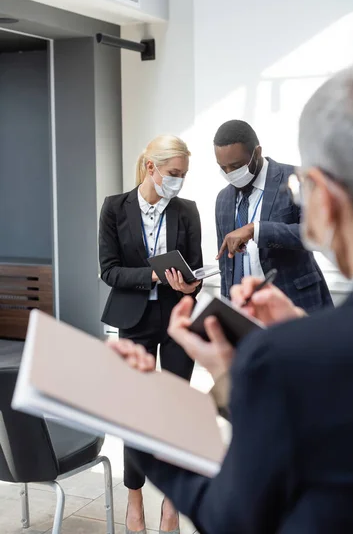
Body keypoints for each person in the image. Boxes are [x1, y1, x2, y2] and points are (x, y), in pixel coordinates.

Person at [110, 52, 353, 533]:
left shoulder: (292, 359)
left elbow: (236, 516)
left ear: (321, 199)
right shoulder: (222, 201)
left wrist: (142, 420)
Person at [99, 135, 203, 534]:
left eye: (184, 175)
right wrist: (154, 275)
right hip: (134, 319)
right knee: (137, 413)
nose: (178, 182)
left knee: (175, 411)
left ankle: (173, 501)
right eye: (174, 174)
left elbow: (194, 269)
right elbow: (109, 270)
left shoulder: (188, 211)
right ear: (151, 169)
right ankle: (135, 497)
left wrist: (189, 284)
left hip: (177, 318)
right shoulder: (114, 208)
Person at [214, 119, 332, 311]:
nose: (229, 174)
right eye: (223, 167)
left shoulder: (295, 179)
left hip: (296, 303)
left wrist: (257, 230)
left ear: (257, 153)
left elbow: (317, 234)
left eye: (236, 167)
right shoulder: (223, 199)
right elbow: (226, 265)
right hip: (246, 312)